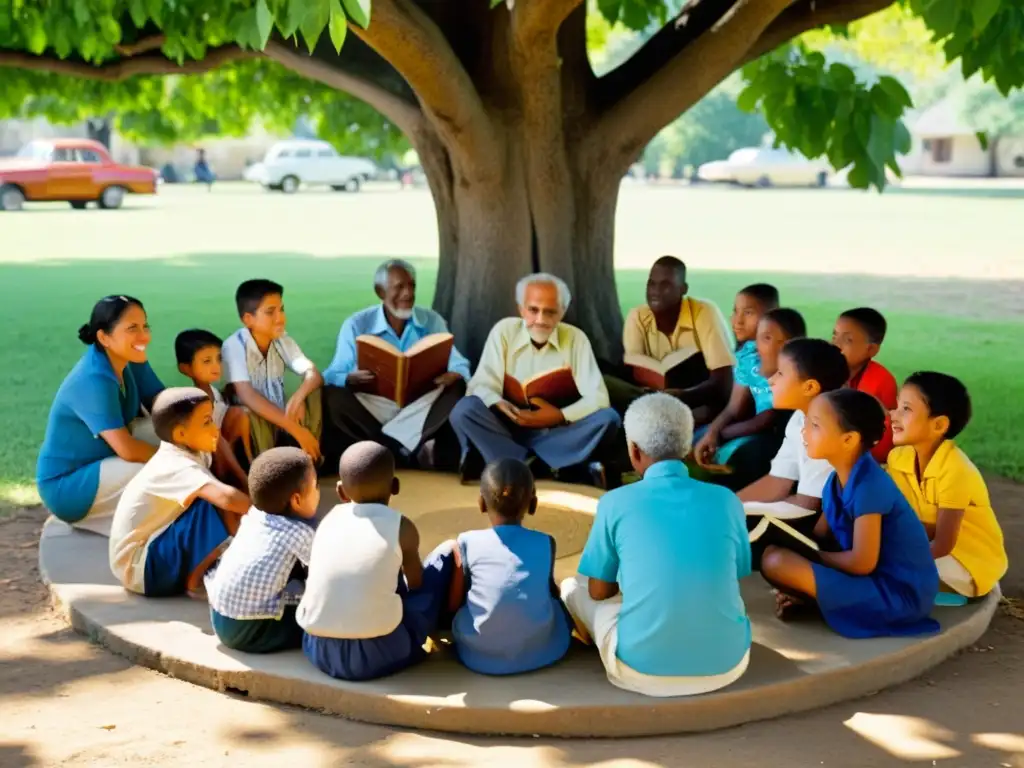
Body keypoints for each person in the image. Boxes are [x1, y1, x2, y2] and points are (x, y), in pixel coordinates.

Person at [560, 393, 750, 696]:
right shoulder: (727, 501)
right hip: (729, 664)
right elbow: (738, 571)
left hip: (641, 670)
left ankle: (595, 642)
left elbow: (599, 592)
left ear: (634, 451)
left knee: (573, 587)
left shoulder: (614, 503)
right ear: (686, 446)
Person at [761, 389, 940, 638]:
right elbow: (820, 534)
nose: (804, 431)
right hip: (869, 582)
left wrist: (812, 559)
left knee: (777, 562)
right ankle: (820, 601)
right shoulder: (835, 481)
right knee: (773, 556)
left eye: (814, 425)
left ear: (848, 440)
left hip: (899, 595)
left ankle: (825, 604)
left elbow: (862, 563)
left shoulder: (870, 485)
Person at [298, 442, 453, 681]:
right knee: (443, 559)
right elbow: (416, 583)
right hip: (379, 654)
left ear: (340, 492)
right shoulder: (402, 526)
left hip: (318, 649)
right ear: (395, 487)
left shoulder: (328, 521)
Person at [449, 273, 621, 487]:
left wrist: (559, 415)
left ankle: (515, 464)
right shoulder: (504, 331)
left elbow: (598, 397)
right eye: (533, 310)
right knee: (464, 410)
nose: (540, 319)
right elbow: (480, 384)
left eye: (550, 312)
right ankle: (544, 465)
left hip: (555, 432)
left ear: (562, 312)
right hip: (507, 429)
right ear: (521, 309)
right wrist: (498, 402)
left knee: (608, 418)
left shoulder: (576, 339)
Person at [321, 259, 471, 469]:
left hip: (420, 406)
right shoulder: (356, 324)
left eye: (411, 286)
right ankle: (398, 449)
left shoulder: (431, 321)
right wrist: (348, 378)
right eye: (399, 287)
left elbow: (460, 365)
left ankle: (385, 450)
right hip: (374, 406)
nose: (408, 294)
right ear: (380, 292)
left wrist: (454, 374)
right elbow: (332, 373)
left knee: (457, 387)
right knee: (331, 396)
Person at [37, 296, 164, 535]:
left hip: (104, 461)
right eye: (132, 328)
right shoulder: (93, 379)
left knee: (176, 435)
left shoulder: (128, 358)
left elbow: (162, 402)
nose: (144, 336)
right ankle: (145, 539)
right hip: (68, 486)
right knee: (151, 473)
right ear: (104, 337)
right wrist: (180, 460)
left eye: (145, 326)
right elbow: (127, 449)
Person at [109, 388, 250, 598]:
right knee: (218, 502)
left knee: (219, 494)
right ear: (181, 434)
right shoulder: (174, 464)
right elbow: (227, 498)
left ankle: (226, 558)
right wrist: (269, 512)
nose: (215, 429)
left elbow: (221, 452)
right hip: (141, 570)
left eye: (212, 419)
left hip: (153, 552)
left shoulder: (189, 447)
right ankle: (194, 581)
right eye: (206, 422)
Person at [887, 372, 1007, 598]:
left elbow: (943, 544)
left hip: (967, 561)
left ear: (939, 424)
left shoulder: (956, 470)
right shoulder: (898, 459)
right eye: (896, 406)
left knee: (885, 571)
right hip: (928, 548)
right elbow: (906, 520)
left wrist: (894, 558)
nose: (893, 415)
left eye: (906, 409)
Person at [446, 458, 572, 675]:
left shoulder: (466, 542)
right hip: (539, 651)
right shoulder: (545, 542)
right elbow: (550, 591)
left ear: (481, 503)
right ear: (533, 504)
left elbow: (454, 603)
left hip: (480, 653)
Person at [738, 338, 850, 564]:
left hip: (821, 532)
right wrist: (725, 504)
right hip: (800, 514)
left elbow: (810, 506)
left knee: (715, 534)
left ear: (809, 387)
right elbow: (778, 482)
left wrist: (731, 513)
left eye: (780, 374)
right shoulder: (800, 418)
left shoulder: (827, 428)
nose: (770, 380)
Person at [206, 448, 319, 653]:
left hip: (219, 616)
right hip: (250, 630)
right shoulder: (299, 532)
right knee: (319, 612)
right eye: (315, 487)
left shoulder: (256, 515)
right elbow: (324, 574)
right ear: (296, 500)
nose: (318, 493)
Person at [604, 257, 735, 424]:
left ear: (683, 289)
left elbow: (723, 382)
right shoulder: (637, 316)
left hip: (695, 396)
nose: (655, 291)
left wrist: (683, 395)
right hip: (650, 396)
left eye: (665, 285)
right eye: (651, 284)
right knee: (605, 380)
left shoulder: (704, 312)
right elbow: (635, 368)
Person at [692, 296, 801, 491]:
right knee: (695, 440)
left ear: (789, 345)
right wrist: (712, 433)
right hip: (755, 430)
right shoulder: (753, 359)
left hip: (773, 437)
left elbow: (769, 418)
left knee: (742, 457)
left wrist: (721, 435)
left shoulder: (795, 379)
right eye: (759, 337)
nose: (756, 348)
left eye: (766, 338)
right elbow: (733, 407)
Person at [222, 279, 323, 463]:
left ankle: (309, 457)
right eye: (270, 312)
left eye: (281, 309)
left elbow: (313, 374)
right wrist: (297, 430)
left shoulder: (281, 339)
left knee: (312, 392)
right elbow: (247, 396)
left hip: (280, 421)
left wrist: (298, 397)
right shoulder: (234, 346)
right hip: (254, 427)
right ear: (248, 319)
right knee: (247, 413)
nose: (280, 318)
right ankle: (267, 467)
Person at [175, 329, 250, 487]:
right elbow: (213, 438)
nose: (216, 366)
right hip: (207, 450)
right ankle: (240, 477)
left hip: (222, 445)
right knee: (229, 423)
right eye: (207, 361)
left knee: (240, 414)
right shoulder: (196, 398)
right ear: (185, 369)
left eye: (218, 359)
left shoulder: (214, 392)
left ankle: (247, 464)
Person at [832, 307, 897, 463]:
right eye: (834, 336)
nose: (836, 344)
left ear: (871, 349)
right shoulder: (824, 371)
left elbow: (887, 438)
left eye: (848, 340)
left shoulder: (882, 381)